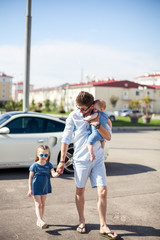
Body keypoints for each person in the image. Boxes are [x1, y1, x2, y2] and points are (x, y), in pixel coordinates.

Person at [56, 91, 118, 239]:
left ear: (92, 106)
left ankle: (103, 225)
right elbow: (65, 139)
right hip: (80, 160)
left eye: (83, 108)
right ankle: (81, 221)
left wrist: (96, 126)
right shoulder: (73, 116)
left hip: (97, 159)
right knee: (80, 191)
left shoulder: (101, 114)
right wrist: (61, 161)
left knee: (103, 191)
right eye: (78, 107)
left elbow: (108, 136)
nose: (80, 111)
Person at [27, 145, 59, 229]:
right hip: (36, 187)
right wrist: (30, 189)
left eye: (46, 155)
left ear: (48, 155)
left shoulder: (49, 165)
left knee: (43, 204)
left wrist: (58, 172)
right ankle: (40, 221)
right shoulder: (34, 165)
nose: (44, 157)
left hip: (45, 187)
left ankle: (40, 220)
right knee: (38, 204)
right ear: (37, 154)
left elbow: (53, 174)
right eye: (41, 155)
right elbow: (30, 178)